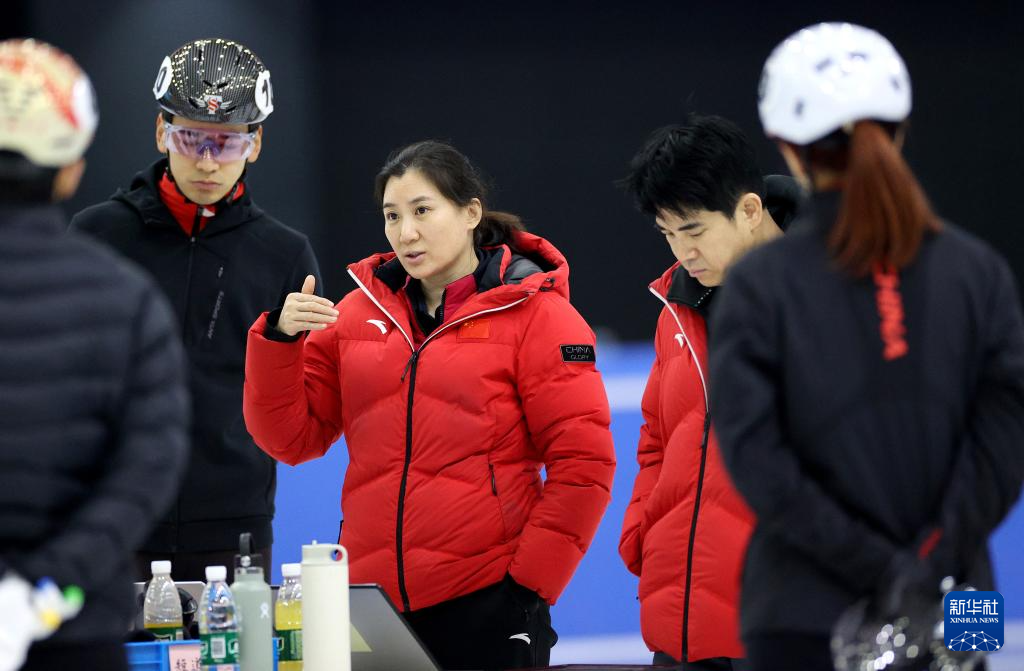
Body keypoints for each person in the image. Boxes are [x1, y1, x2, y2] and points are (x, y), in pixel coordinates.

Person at [709, 22, 1024, 670]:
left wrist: (881, 568)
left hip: (801, 608)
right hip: (960, 604)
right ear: (900, 129)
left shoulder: (759, 283)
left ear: (788, 146)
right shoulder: (979, 271)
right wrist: (929, 561)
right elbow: (1003, 444)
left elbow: (756, 458)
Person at [243, 140, 616, 670]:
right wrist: (280, 342)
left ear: (470, 212)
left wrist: (528, 587)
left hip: (488, 599)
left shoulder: (538, 316)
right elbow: (290, 441)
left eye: (422, 211)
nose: (406, 233)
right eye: (392, 216)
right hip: (372, 604)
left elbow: (585, 465)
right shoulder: (355, 316)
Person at [69, 38, 321, 581]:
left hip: (234, 522)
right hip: (110, 515)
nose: (207, 162)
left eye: (227, 143)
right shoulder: (96, 236)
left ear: (256, 144)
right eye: (191, 139)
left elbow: (299, 413)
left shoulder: (285, 254)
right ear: (162, 132)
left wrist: (280, 342)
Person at [0, 39, 189, 671]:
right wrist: (40, 592)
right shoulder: (126, 299)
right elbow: (147, 468)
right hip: (75, 632)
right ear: (70, 168)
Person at [617, 114, 802, 670]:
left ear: (750, 210)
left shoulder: (836, 300)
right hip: (680, 628)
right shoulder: (676, 308)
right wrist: (644, 531)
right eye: (668, 234)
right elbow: (657, 440)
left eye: (694, 231)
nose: (683, 252)